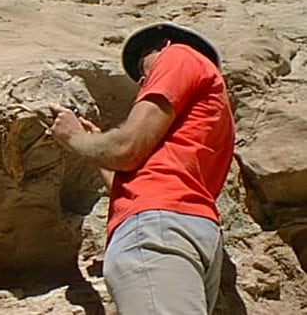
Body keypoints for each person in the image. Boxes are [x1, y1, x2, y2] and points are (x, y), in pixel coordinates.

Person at [49, 22, 235, 314]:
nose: (142, 80)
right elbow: (134, 187)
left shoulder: (179, 55)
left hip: (159, 227)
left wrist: (74, 137)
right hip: (189, 228)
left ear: (162, 46)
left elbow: (127, 150)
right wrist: (96, 142)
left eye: (142, 65)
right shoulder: (209, 120)